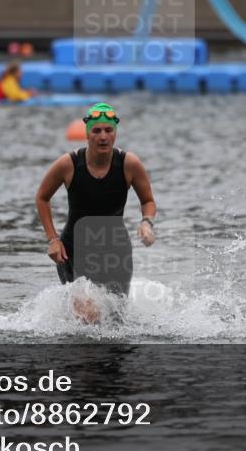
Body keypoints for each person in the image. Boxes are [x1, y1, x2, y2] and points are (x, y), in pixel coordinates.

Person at [35, 103, 156, 322]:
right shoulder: (68, 164)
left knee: (116, 320)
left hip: (115, 252)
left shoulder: (129, 164)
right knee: (89, 316)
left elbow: (147, 201)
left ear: (115, 133)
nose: (103, 136)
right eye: (96, 131)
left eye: (108, 130)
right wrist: (52, 239)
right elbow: (42, 198)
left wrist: (146, 222)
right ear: (87, 134)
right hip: (73, 251)